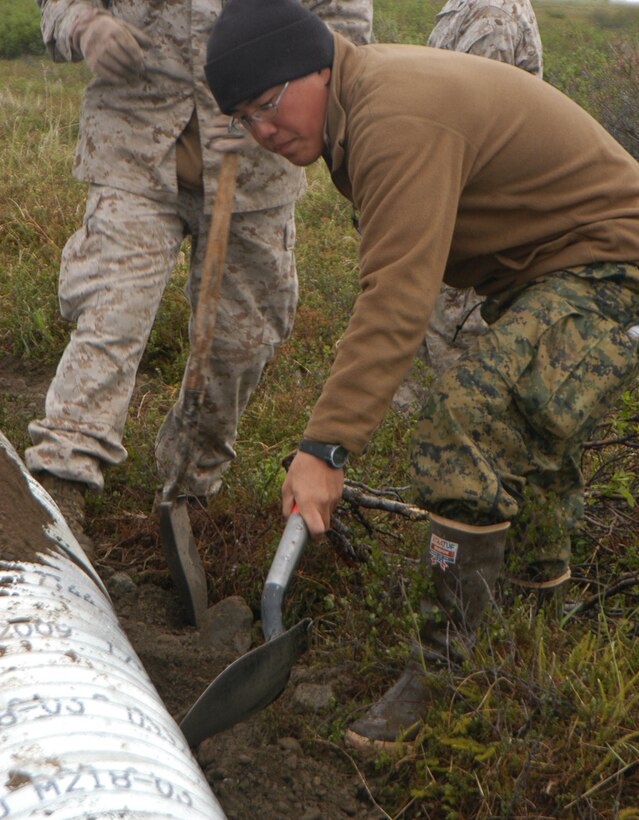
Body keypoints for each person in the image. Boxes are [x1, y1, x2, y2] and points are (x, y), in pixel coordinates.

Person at [205, 0, 639, 750]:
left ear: (316, 64)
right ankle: (536, 619)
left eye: (268, 104)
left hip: (612, 265)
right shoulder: (358, 104)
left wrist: (325, 448)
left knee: (465, 420)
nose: (263, 132)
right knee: (526, 431)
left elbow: (397, 298)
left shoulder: (392, 117)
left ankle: (440, 680)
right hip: (556, 271)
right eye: (244, 119)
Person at [26, 0, 372, 557]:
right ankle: (62, 481)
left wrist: (272, 96)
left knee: (242, 342)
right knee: (110, 313)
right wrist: (84, 26)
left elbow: (345, 33)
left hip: (257, 158)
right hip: (133, 149)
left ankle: (189, 487)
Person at [424, 0, 543, 377]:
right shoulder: (468, 6)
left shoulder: (493, 14)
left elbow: (469, 124)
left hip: (474, 213)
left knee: (457, 350)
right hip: (454, 205)